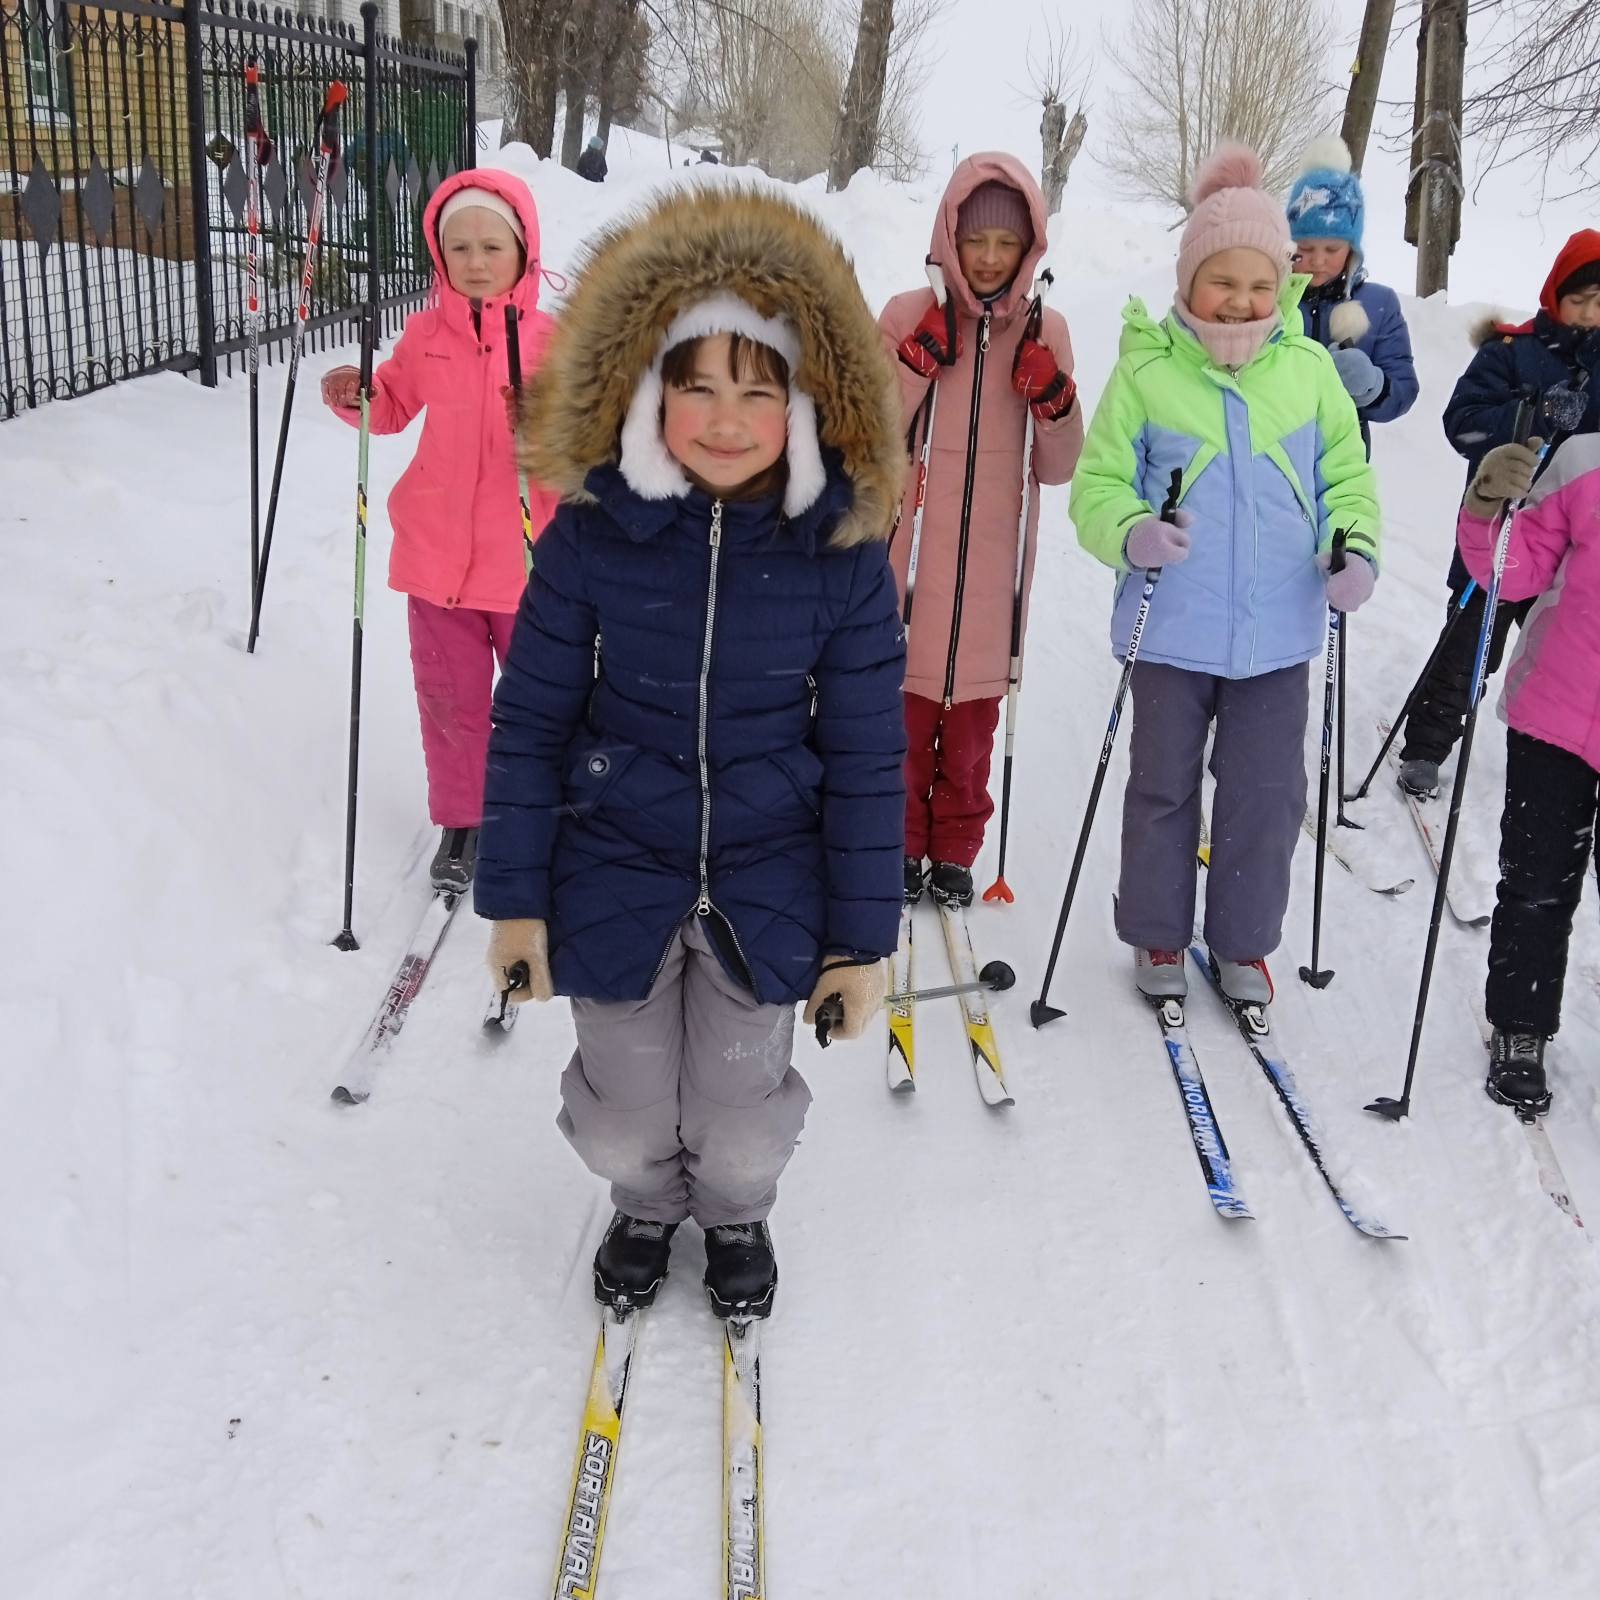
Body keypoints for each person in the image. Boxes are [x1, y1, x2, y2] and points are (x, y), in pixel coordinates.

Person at [473, 187, 907, 1321]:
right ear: (647, 391)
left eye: (759, 390)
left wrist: (859, 942)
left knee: (739, 1113)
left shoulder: (841, 557)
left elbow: (867, 754)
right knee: (620, 1114)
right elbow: (531, 720)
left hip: (769, 872)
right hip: (615, 858)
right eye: (697, 386)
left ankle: (733, 1210)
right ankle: (645, 1203)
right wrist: (515, 903)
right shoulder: (593, 537)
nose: (726, 419)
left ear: (805, 403)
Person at [1070, 144, 1381, 1012]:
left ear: (1282, 285)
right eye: (1222, 281)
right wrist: (1131, 532)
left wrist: (1355, 549)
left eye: (1258, 283)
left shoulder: (1308, 373)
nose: (1240, 300)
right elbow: (1097, 485)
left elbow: (1348, 480)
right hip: (1172, 631)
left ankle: (1244, 942)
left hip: (1278, 635)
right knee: (1162, 789)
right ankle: (1157, 930)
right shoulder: (1147, 371)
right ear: (1188, 281)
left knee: (1266, 795)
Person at [320, 170, 556, 890]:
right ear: (438, 254)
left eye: (492, 246)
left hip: (528, 566)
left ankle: (541, 814)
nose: (476, 262)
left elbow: (594, 442)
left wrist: (548, 424)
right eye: (459, 248)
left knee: (541, 702)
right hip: (435, 562)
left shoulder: (558, 342)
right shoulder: (426, 335)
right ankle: (465, 819)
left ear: (524, 250)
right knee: (450, 702)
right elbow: (392, 404)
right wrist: (358, 393)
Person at [877, 153, 1083, 907]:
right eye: (976, 241)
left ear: (1030, 247)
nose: (990, 257)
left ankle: (956, 848)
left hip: (993, 578)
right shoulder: (906, 315)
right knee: (902, 720)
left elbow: (1059, 466)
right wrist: (914, 366)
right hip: (912, 570)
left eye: (1007, 243)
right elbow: (864, 436)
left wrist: (1053, 398)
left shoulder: (1045, 329)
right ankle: (900, 841)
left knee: (969, 734)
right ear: (949, 239)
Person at [1396, 229, 1600, 798]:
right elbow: (1462, 422)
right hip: (1503, 529)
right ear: (1554, 295)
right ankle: (1426, 746)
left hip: (1577, 546)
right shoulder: (1511, 350)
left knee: (1568, 660)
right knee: (1469, 648)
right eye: (1579, 299)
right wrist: (1531, 415)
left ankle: (1561, 769)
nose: (1589, 314)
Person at [1454, 427, 1600, 1115]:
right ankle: (1521, 1023)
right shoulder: (1584, 459)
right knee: (1537, 885)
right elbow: (1511, 574)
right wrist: (1487, 500)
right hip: (1556, 710)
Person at [1285, 137, 1418, 455]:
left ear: (1352, 250)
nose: (1318, 261)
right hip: (1274, 454)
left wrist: (1372, 385)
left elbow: (1403, 389)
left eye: (1332, 249)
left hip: (1344, 460)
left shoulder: (1379, 304)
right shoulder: (1272, 300)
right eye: (1306, 248)